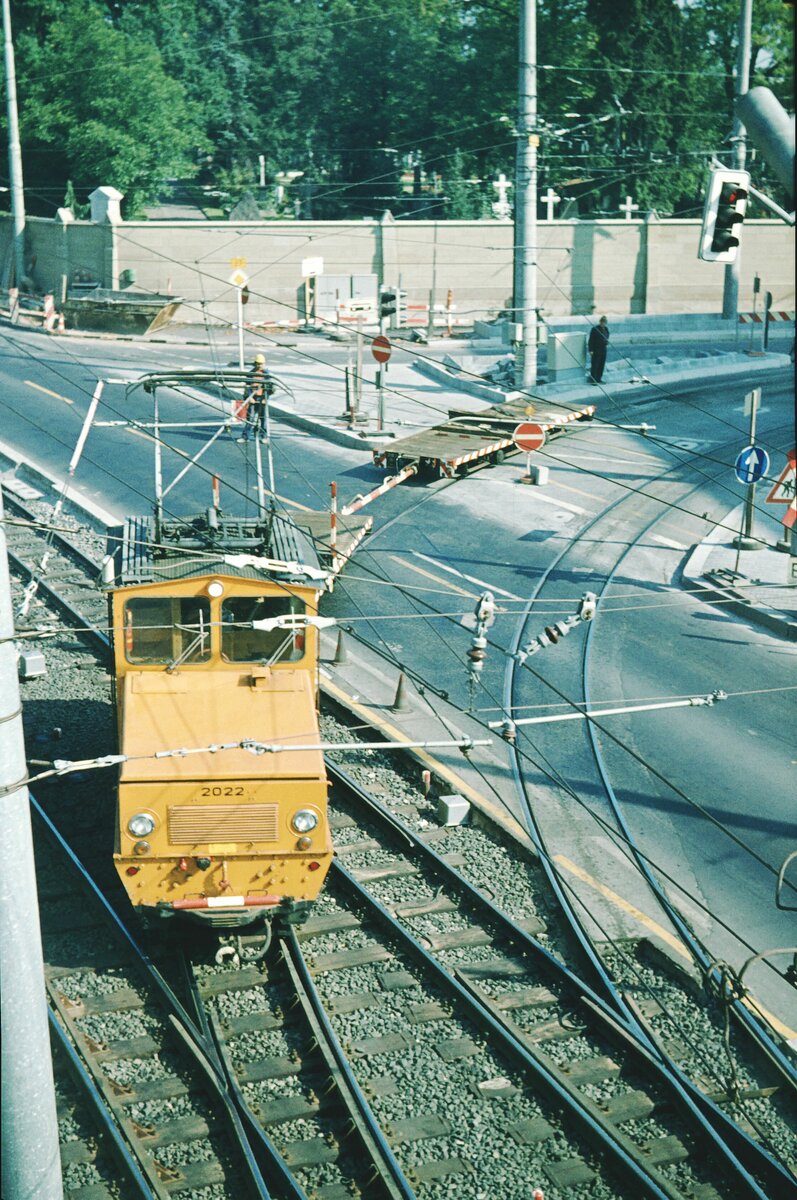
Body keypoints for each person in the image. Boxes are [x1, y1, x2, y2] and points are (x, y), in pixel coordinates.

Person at [239, 353, 275, 441]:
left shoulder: (267, 375)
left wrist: (265, 399)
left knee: (263, 419)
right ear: (255, 363)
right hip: (253, 398)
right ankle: (245, 437)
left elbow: (271, 389)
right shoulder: (251, 373)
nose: (260, 366)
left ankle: (264, 436)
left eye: (261, 364)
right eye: (258, 363)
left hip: (262, 399)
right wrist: (249, 397)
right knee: (250, 418)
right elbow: (247, 386)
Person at [588, 315, 610, 384]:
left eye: (604, 322)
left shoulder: (606, 329)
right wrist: (591, 350)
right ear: (600, 322)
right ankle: (593, 380)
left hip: (603, 349)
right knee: (595, 364)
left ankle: (598, 379)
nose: (603, 323)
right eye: (602, 322)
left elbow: (607, 336)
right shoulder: (595, 329)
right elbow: (591, 340)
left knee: (601, 364)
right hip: (596, 349)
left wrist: (606, 342)